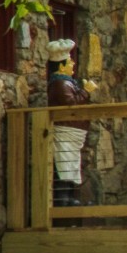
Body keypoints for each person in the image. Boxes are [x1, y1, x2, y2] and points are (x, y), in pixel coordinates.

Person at [45, 37, 88, 205]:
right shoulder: (61, 84)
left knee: (69, 167)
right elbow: (71, 103)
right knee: (64, 167)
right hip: (65, 132)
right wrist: (86, 92)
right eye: (70, 62)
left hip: (72, 133)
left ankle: (70, 202)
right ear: (62, 66)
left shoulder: (67, 83)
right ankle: (64, 204)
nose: (73, 65)